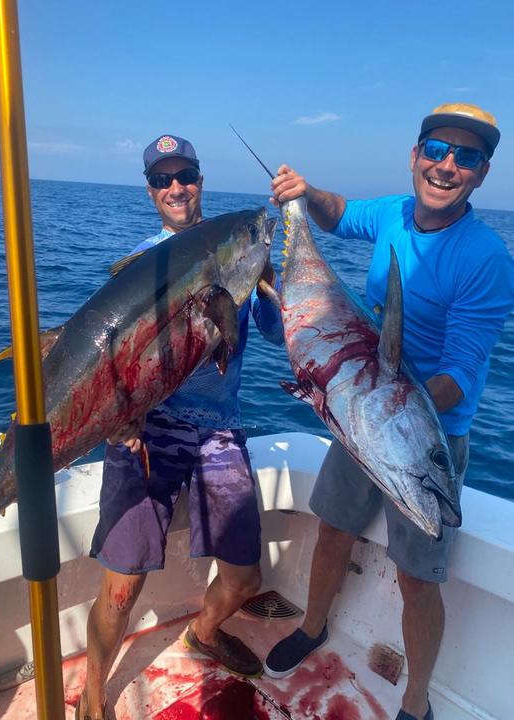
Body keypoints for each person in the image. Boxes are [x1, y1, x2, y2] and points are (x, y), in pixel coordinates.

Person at [263, 104, 514, 720]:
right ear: (415, 155)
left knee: (418, 579)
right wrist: (304, 193)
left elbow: (460, 373)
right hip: (360, 412)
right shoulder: (396, 215)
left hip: (420, 433)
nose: (447, 164)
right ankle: (315, 625)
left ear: (481, 175)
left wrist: (389, 405)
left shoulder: (485, 258)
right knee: (332, 531)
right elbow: (340, 213)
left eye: (467, 157)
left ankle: (418, 700)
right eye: (437, 148)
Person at [76, 134, 283, 720]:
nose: (176, 188)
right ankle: (93, 699)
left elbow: (276, 332)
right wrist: (118, 419)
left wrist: (271, 275)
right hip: (148, 430)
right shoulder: (143, 261)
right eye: (163, 179)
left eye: (185, 175)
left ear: (200, 180)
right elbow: (110, 358)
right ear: (150, 191)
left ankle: (204, 632)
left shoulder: (238, 246)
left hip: (220, 428)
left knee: (245, 577)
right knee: (121, 586)